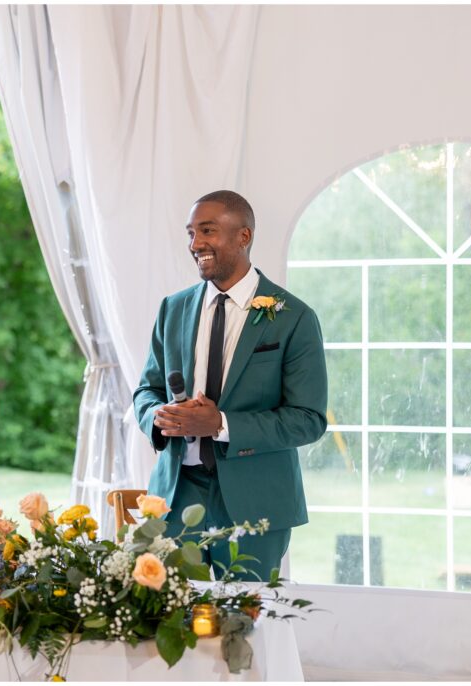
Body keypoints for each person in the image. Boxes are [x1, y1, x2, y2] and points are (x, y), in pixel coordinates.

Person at [133, 190, 327, 581]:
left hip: (256, 499)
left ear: (244, 237)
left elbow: (308, 420)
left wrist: (220, 425)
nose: (195, 244)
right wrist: (160, 416)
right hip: (176, 494)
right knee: (166, 621)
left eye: (207, 231)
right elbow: (145, 391)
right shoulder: (173, 308)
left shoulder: (294, 318)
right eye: (190, 233)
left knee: (242, 629)